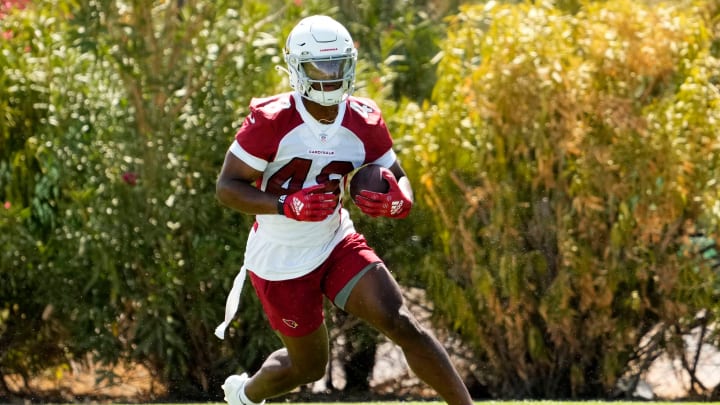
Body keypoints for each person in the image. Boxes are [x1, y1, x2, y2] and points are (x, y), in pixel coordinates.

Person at [214, 14, 474, 405]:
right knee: (306, 368)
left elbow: (398, 176)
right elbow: (226, 188)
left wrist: (399, 200)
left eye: (337, 64)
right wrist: (285, 203)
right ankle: (244, 395)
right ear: (297, 68)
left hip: (336, 241)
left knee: (402, 323)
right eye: (319, 66)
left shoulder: (363, 119)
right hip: (281, 258)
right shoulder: (271, 121)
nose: (330, 75)